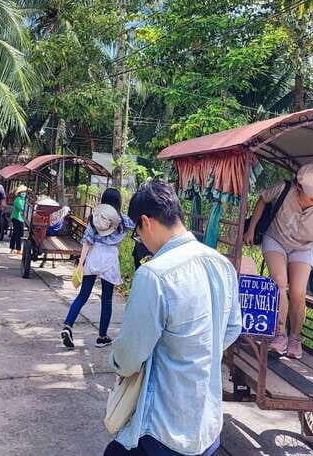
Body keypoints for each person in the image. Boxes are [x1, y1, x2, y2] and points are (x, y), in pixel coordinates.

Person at [104, 181, 241, 456]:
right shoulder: (222, 264)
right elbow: (233, 327)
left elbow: (129, 355)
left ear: (146, 222)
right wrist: (200, 350)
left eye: (138, 234)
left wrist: (116, 362)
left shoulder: (154, 274)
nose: (141, 241)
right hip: (205, 426)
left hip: (162, 427)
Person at [243, 163, 313, 359]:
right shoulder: (283, 189)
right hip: (276, 239)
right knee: (279, 281)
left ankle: (295, 338)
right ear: (298, 186)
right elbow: (262, 200)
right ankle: (280, 333)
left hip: (304, 246)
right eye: (311, 192)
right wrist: (251, 229)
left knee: (299, 292)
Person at [61, 189, 133, 349]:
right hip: (110, 258)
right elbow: (133, 225)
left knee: (83, 296)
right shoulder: (121, 220)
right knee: (106, 299)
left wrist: (81, 264)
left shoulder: (94, 217)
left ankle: (68, 325)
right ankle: (102, 337)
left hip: (94, 255)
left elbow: (87, 241)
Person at [9, 185, 28, 257]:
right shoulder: (18, 200)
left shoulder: (22, 200)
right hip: (17, 218)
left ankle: (12, 248)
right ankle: (18, 249)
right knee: (19, 234)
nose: (24, 193)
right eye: (23, 192)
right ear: (20, 193)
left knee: (15, 234)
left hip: (19, 218)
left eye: (25, 192)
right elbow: (22, 208)